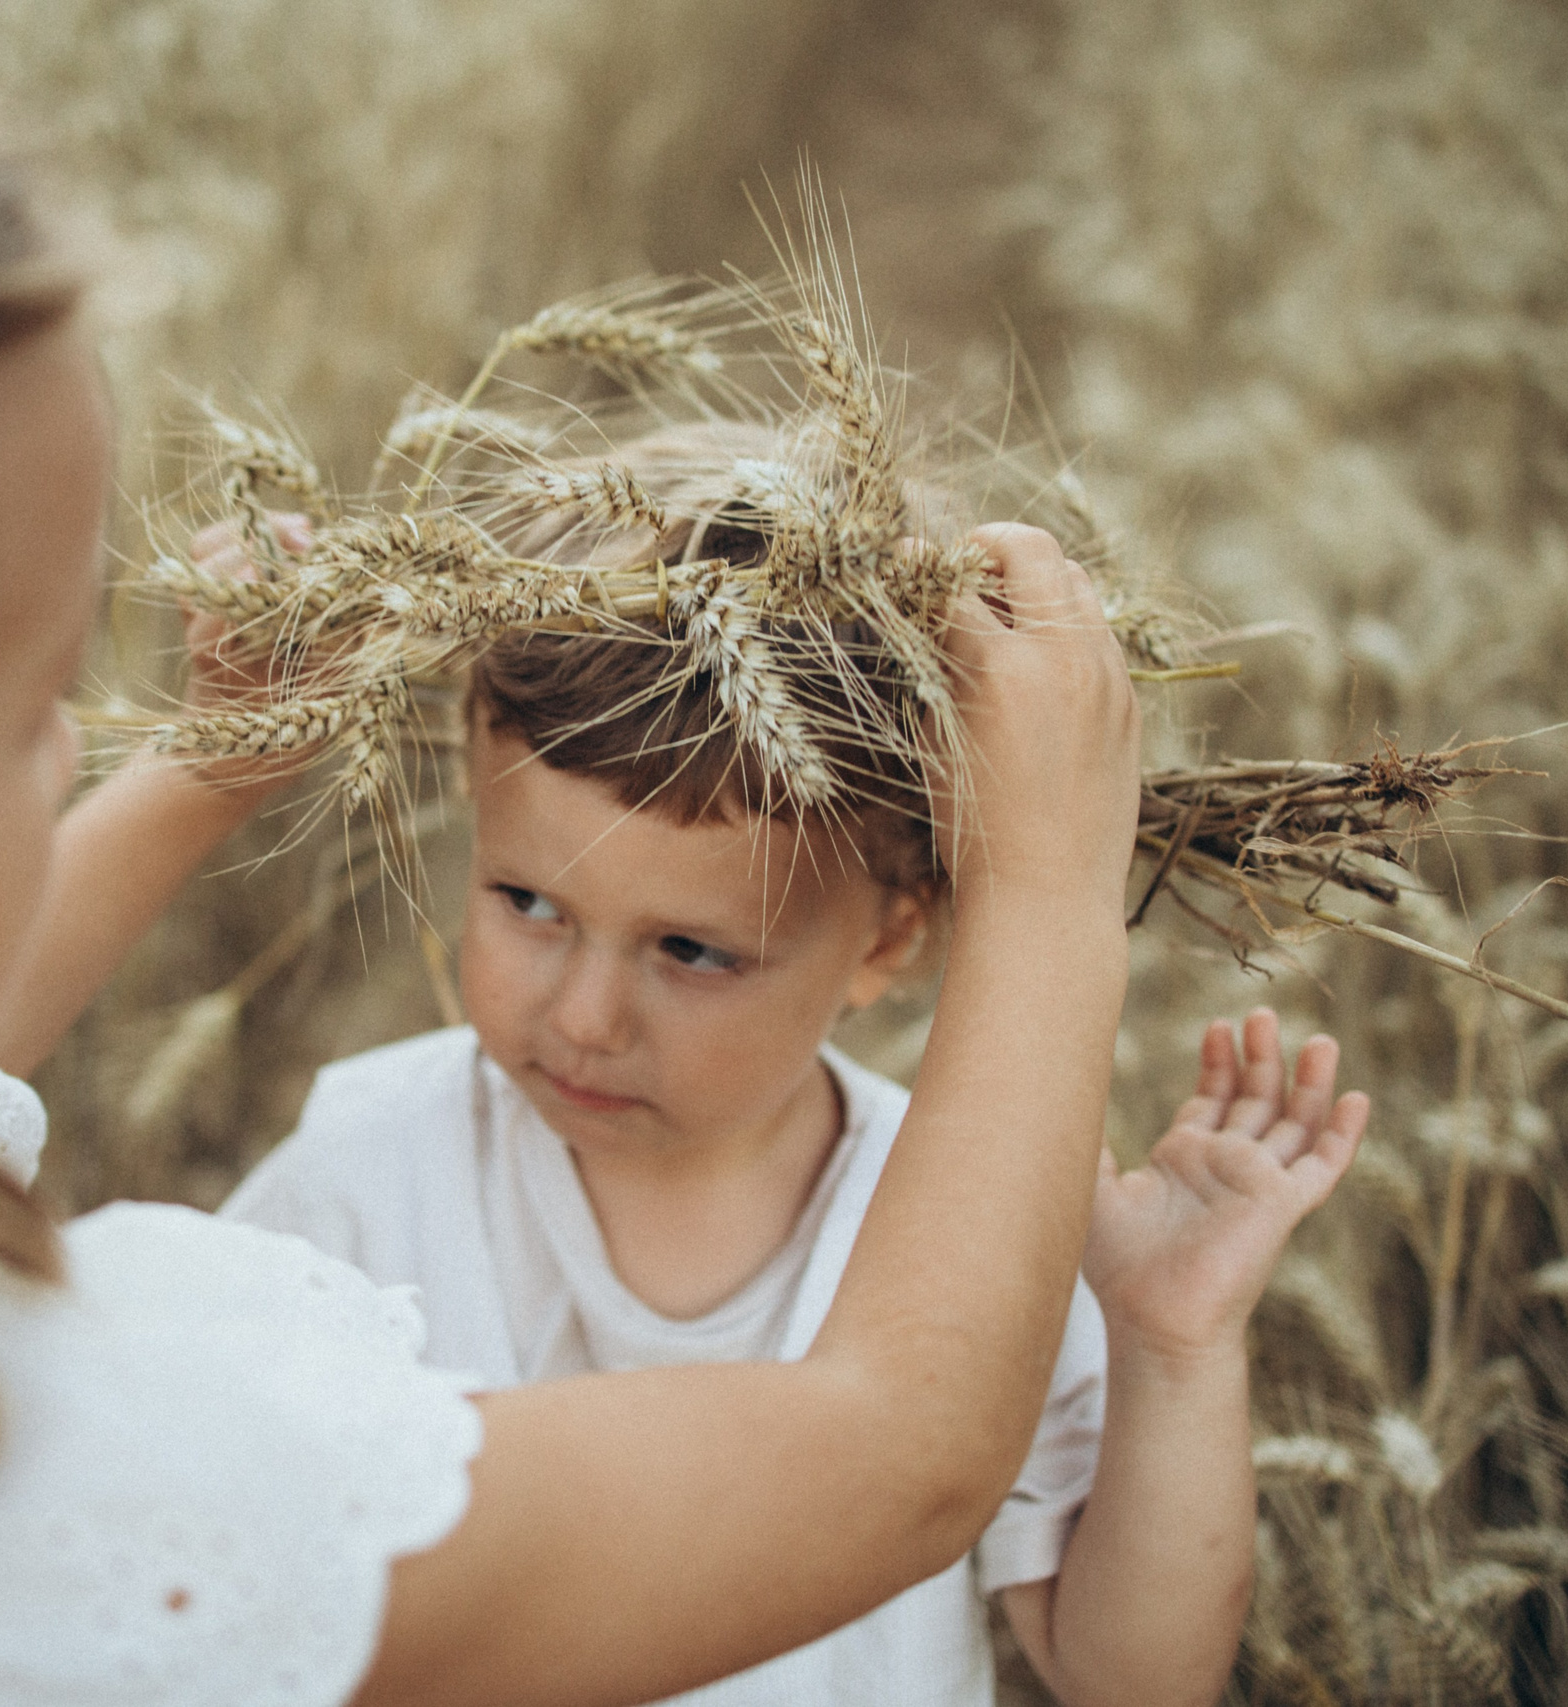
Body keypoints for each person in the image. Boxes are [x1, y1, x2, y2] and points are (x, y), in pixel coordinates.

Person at [0, 4, 1353, 1705]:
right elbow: (892, 1461)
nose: (77, 745)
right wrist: (1053, 896)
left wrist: (196, 765)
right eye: (30, 715)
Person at [221, 437, 1369, 1707]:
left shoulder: (967, 1225)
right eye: (528, 903)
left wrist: (1169, 1343)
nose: (587, 1016)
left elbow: (1130, 1679)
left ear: (887, 936)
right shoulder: (368, 1167)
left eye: (693, 950)